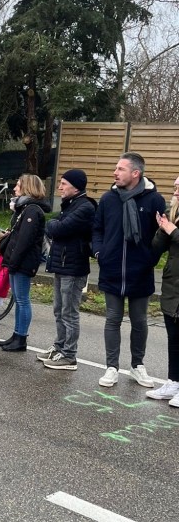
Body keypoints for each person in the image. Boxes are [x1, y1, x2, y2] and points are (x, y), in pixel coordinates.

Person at [92, 152, 164, 388]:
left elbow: (161, 234)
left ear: (136, 173)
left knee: (139, 321)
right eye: (116, 168)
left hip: (140, 272)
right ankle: (111, 367)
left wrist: (150, 258)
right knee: (112, 319)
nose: (115, 173)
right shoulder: (108, 198)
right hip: (112, 269)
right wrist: (99, 252)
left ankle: (137, 365)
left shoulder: (154, 200)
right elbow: (97, 229)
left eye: (120, 169)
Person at [37, 169, 96, 371]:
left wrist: (54, 225)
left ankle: (69, 355)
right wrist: (54, 224)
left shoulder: (85, 207)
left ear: (76, 186)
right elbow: (53, 225)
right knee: (58, 310)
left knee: (69, 312)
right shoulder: (70, 205)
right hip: (62, 264)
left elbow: (58, 228)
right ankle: (59, 347)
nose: (60, 187)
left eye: (64, 184)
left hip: (74, 267)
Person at [0, 174, 50, 353]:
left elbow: (24, 240)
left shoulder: (32, 210)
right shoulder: (25, 208)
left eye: (18, 185)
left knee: (22, 299)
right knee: (18, 299)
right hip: (17, 260)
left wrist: (13, 261)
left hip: (23, 261)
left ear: (27, 187)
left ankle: (21, 338)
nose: (15, 188)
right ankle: (16, 335)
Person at [148, 176, 179, 403]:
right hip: (173, 287)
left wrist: (173, 230)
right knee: (174, 338)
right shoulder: (175, 215)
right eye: (175, 188)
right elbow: (157, 249)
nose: (175, 193)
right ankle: (173, 382)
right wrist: (162, 228)